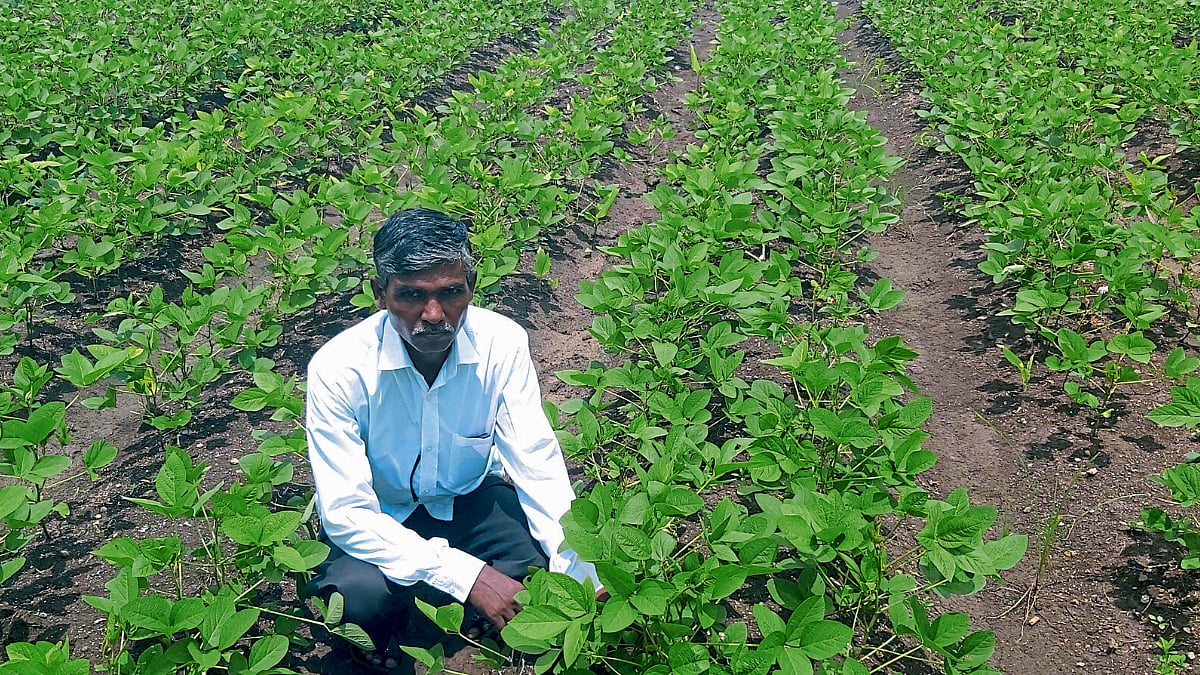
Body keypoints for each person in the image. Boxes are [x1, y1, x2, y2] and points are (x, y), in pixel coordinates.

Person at [303, 208, 597, 669]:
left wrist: (580, 573)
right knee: (356, 600)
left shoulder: (502, 344)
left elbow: (535, 463)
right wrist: (471, 576)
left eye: (450, 292)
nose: (434, 314)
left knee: (540, 573)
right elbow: (346, 513)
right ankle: (409, 626)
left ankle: (439, 603)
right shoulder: (339, 368)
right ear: (380, 294)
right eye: (411, 295)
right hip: (380, 512)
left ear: (471, 286)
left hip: (469, 500)